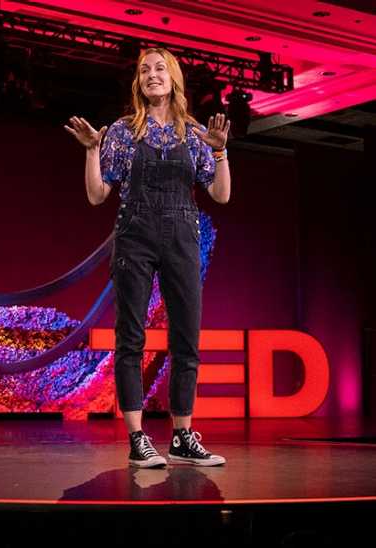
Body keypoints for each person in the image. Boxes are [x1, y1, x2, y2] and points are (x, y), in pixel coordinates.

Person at [64, 47, 231, 468]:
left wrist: (221, 152)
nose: (152, 75)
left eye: (160, 69)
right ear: (138, 83)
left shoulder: (194, 134)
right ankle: (138, 439)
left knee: (186, 340)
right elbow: (97, 195)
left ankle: (181, 436)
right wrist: (90, 150)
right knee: (131, 339)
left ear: (173, 78)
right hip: (135, 234)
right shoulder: (122, 132)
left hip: (181, 236)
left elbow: (221, 194)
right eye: (144, 71)